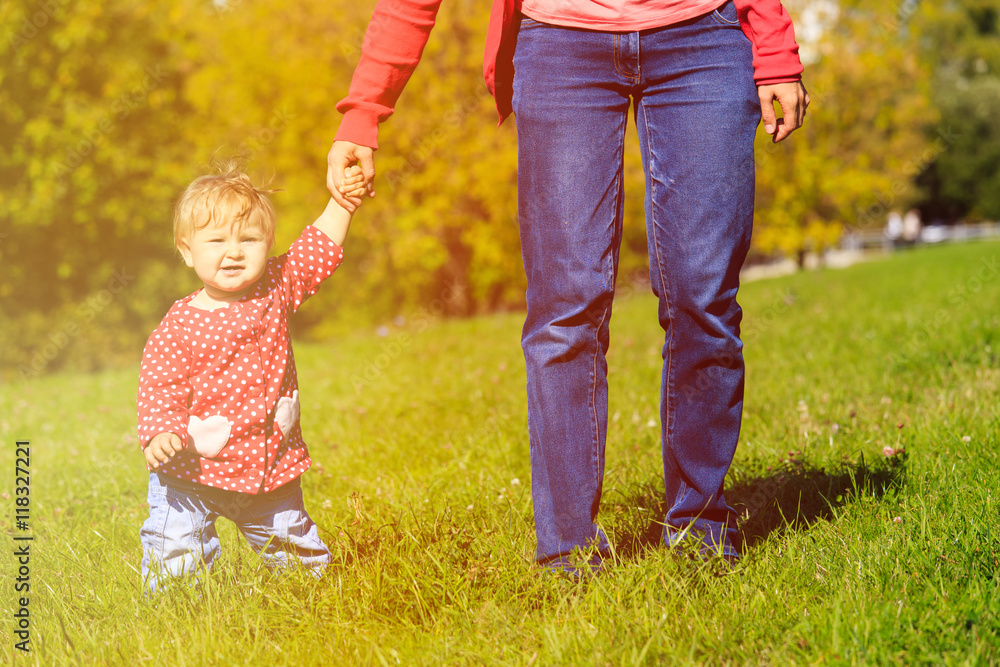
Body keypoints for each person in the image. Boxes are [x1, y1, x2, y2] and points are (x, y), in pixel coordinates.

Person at [329, 0, 809, 572]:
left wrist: (775, 47)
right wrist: (365, 109)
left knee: (702, 299)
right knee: (565, 311)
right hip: (561, 45)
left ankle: (700, 529)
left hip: (703, 37)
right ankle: (568, 552)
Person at [137, 162, 365, 592]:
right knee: (175, 555)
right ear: (187, 250)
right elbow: (160, 387)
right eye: (217, 240)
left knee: (299, 561)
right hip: (191, 472)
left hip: (268, 467)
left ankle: (312, 597)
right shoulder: (179, 326)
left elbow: (317, 247)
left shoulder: (276, 288)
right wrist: (160, 432)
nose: (234, 252)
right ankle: (176, 606)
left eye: (249, 239)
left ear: (268, 244)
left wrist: (343, 202)